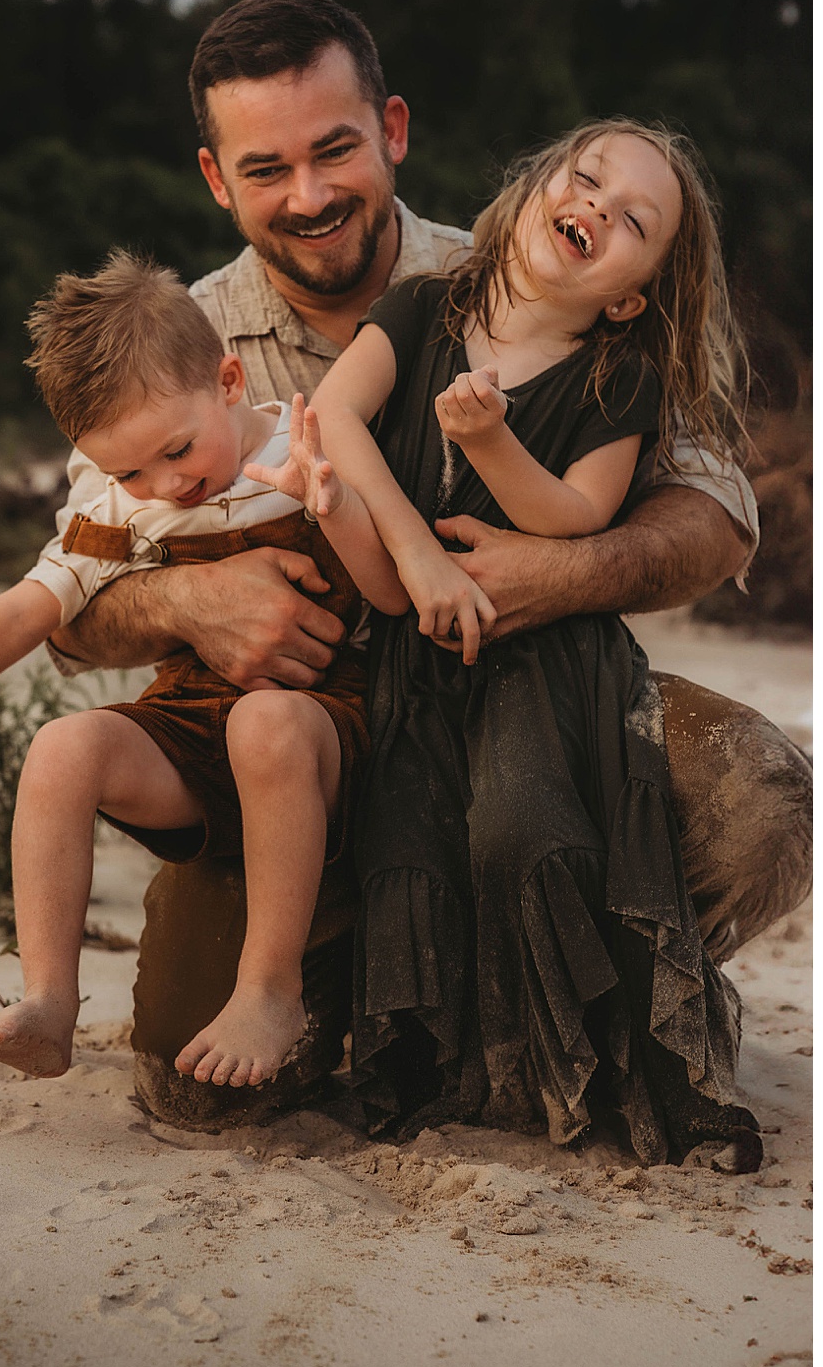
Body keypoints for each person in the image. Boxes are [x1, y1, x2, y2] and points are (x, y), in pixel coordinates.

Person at [44, 0, 806, 1131]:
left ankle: (587, 991)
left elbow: (718, 509)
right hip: (296, 754)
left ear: (393, 128)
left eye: (336, 149)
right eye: (267, 168)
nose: (309, 195)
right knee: (191, 1091)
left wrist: (561, 572)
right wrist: (193, 596)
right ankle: (337, 969)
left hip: (517, 709)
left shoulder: (506, 274)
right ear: (216, 179)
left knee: (766, 800)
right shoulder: (171, 339)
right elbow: (72, 601)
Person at [263, 117, 762, 1169]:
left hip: (544, 664)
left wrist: (490, 440)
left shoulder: (615, 375)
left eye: (634, 220)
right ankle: (454, 1071)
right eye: (585, 180)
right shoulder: (422, 304)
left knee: (525, 826)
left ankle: (615, 1058)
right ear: (538, 186)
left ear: (630, 292)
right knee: (417, 842)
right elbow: (341, 421)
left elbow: (581, 514)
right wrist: (420, 554)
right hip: (415, 660)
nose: (598, 208)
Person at [0, 254, 389, 1088]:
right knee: (61, 749)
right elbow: (22, 610)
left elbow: (391, 594)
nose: (166, 486)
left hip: (322, 730)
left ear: (229, 381)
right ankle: (48, 1004)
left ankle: (270, 988)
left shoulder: (306, 457)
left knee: (265, 723)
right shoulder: (118, 513)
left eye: (176, 451)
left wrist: (339, 506)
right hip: (194, 733)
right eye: (127, 471)